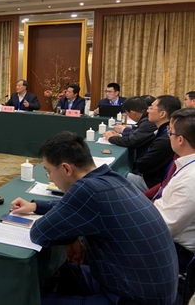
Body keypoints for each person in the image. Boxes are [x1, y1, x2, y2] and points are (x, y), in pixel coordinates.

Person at [11, 131, 178, 304]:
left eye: (49, 172)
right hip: (143, 285)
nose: (50, 178)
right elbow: (79, 206)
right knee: (61, 272)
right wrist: (36, 206)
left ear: (66, 169)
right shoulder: (110, 178)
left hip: (131, 298)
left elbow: (40, 233)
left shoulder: (87, 190)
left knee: (30, 300)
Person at [153, 108, 195, 253]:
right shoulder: (186, 163)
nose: (168, 136)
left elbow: (163, 228)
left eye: (170, 132)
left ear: (180, 140)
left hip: (176, 249)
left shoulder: (190, 180)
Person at [127, 95, 182, 192]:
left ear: (162, 114)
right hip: (153, 177)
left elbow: (143, 166)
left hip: (151, 184)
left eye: (151, 108)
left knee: (119, 175)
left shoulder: (165, 139)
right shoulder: (163, 131)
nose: (147, 110)